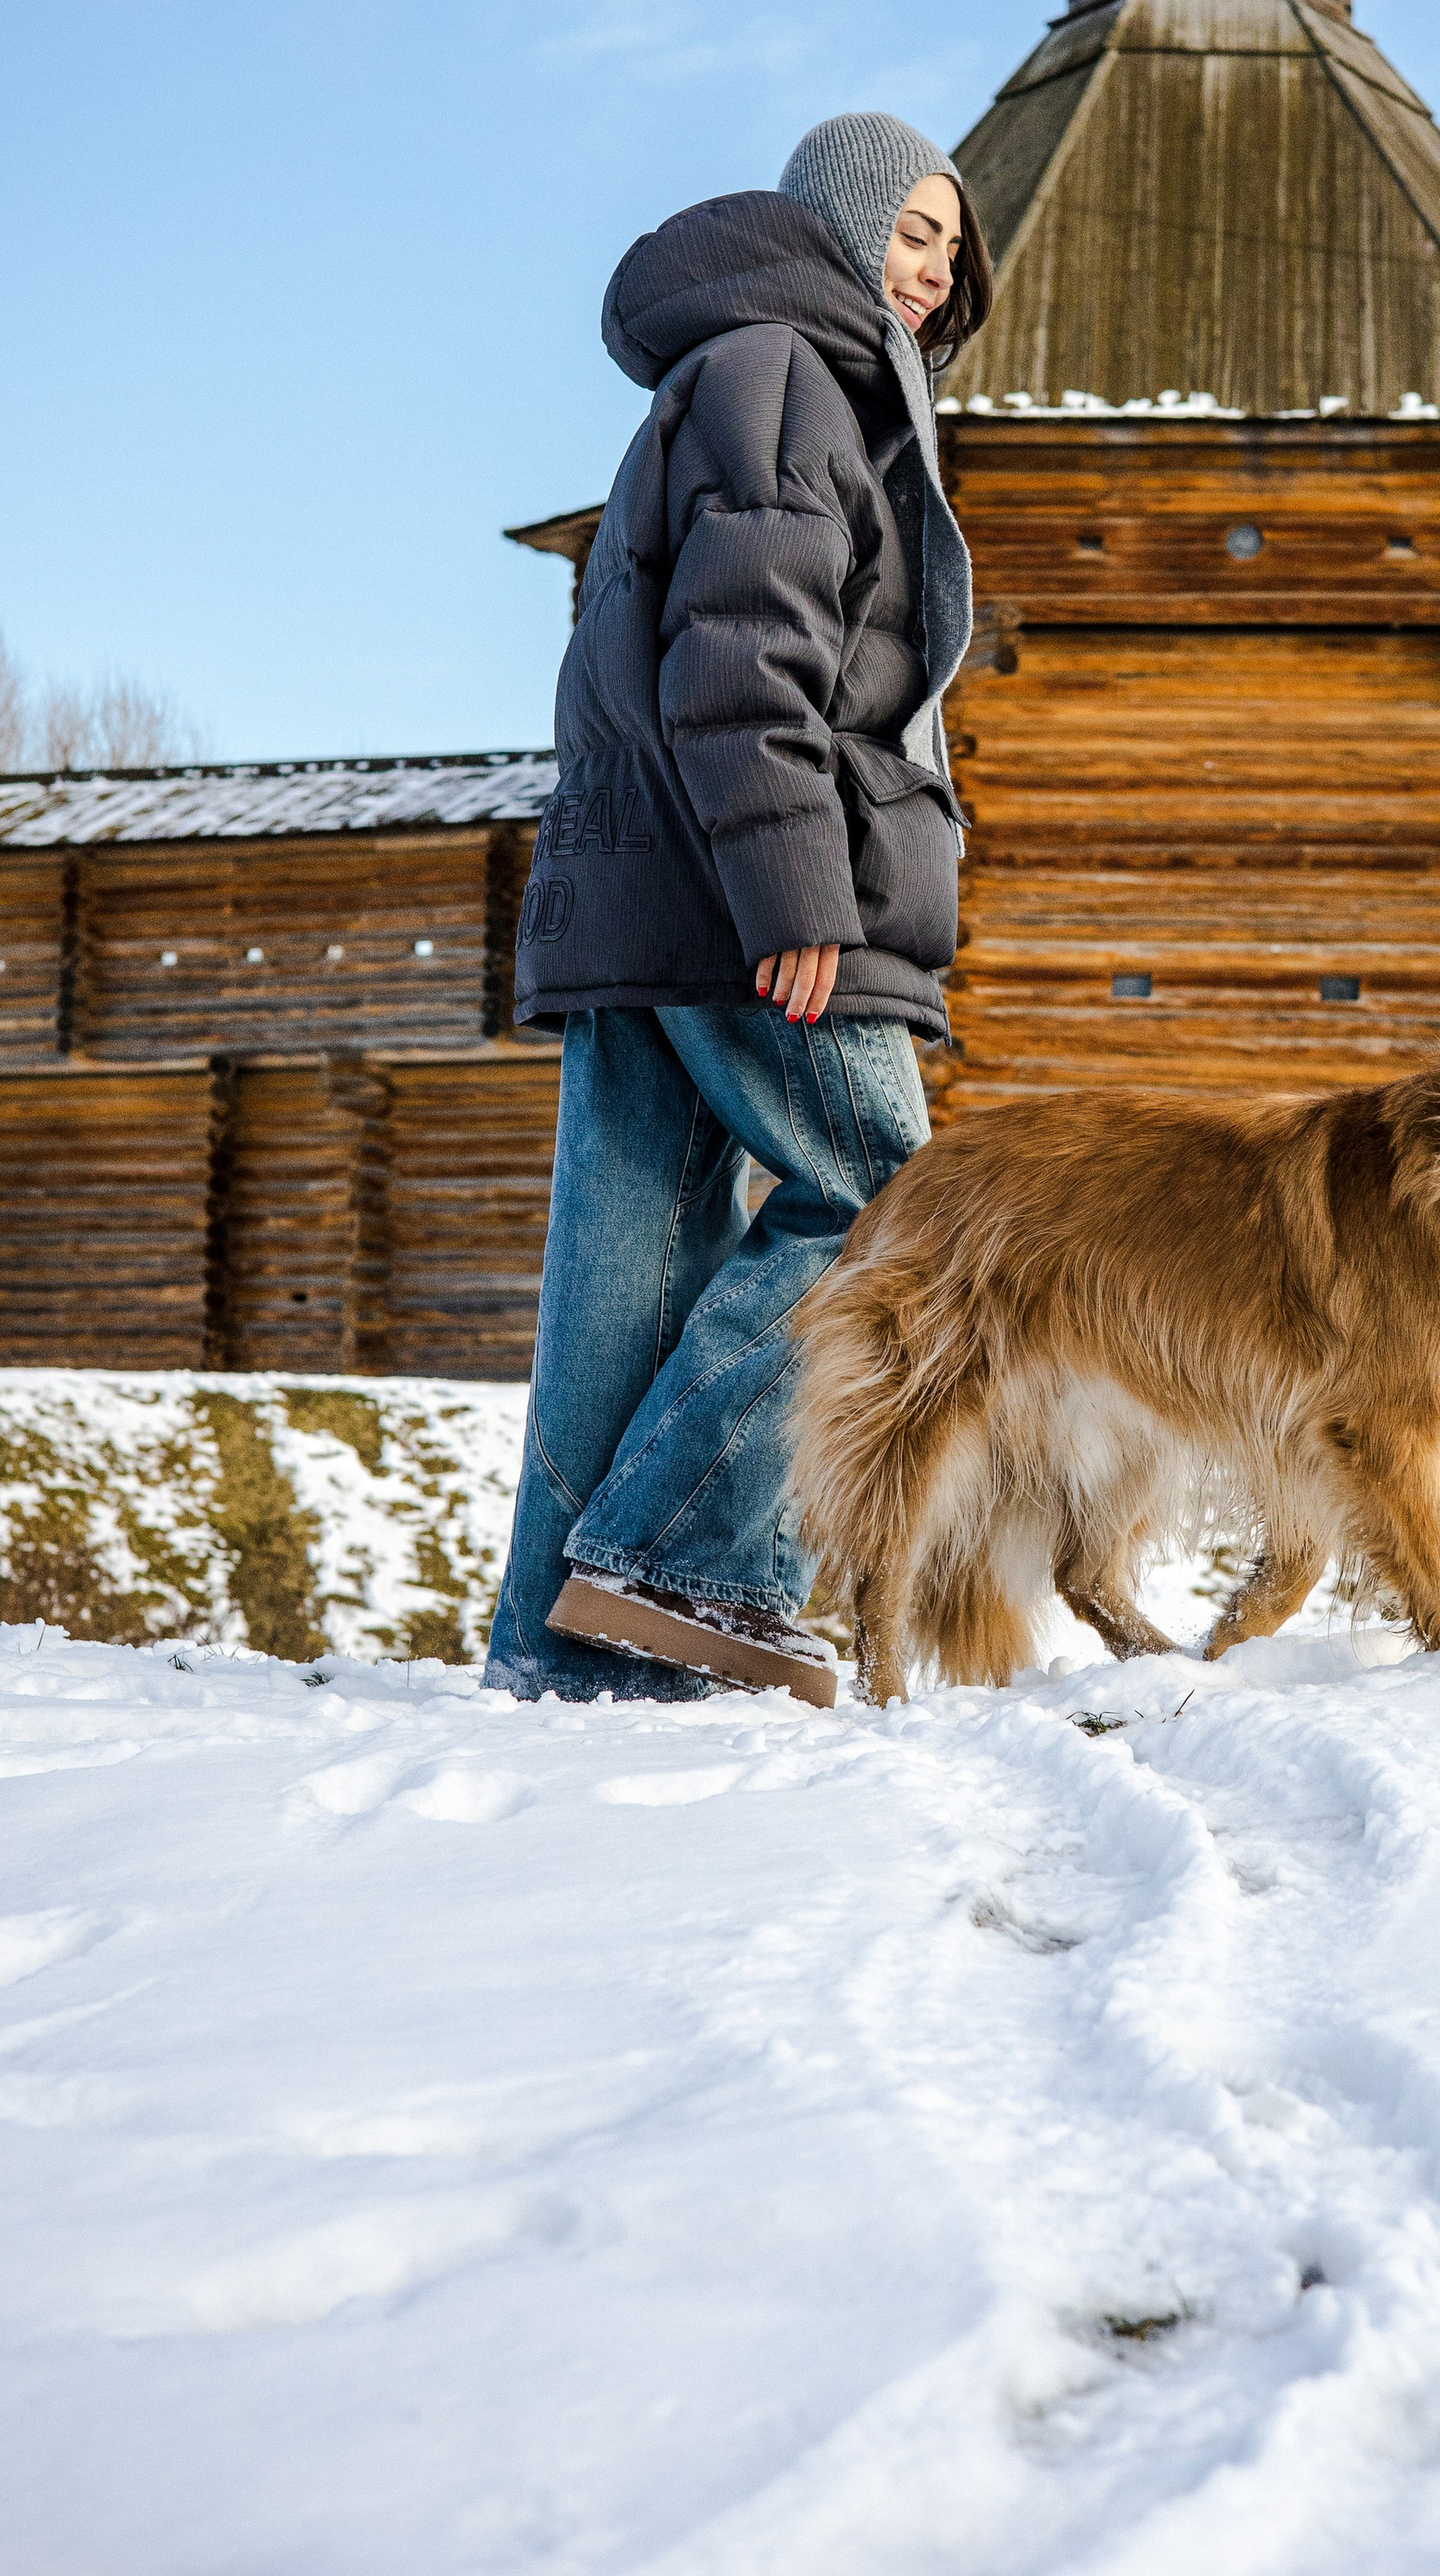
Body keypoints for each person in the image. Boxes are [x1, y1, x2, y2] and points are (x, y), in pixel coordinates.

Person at [482, 114, 992, 1706]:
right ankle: (689, 1566)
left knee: (624, 1279)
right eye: (913, 229)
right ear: (838, 221)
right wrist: (797, 890)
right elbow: (741, 654)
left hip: (647, 894)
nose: (937, 268)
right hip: (751, 893)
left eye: (954, 245)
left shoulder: (746, 370)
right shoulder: (784, 371)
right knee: (905, 1215)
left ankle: (571, 1651)